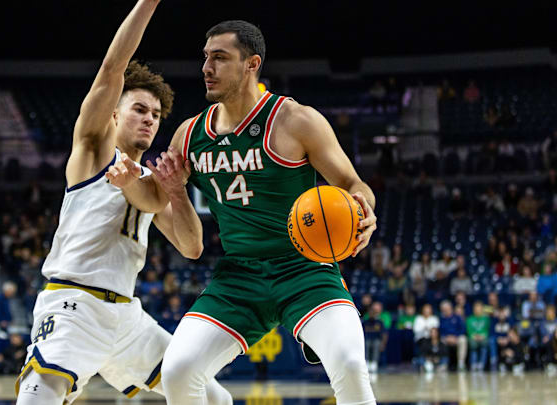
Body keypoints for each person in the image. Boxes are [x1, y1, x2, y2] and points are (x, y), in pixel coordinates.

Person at [111, 20, 377, 404]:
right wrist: (128, 177)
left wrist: (364, 209)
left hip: (304, 270)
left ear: (252, 64)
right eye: (205, 58)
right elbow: (155, 200)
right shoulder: (189, 135)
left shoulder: (295, 120)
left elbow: (354, 184)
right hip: (239, 277)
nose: (206, 68)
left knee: (350, 365)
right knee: (178, 370)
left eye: (219, 58)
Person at [15, 2, 230, 405]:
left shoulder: (152, 182)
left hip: (127, 318)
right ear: (113, 115)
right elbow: (113, 68)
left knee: (214, 398)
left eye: (155, 114)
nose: (150, 119)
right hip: (73, 304)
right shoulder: (93, 150)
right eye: (139, 110)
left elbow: (192, 246)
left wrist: (178, 191)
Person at [466, 301, 490, 371]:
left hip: (483, 337)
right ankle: (473, 363)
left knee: (484, 344)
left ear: (482, 309)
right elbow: (469, 330)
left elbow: (487, 329)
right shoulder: (469, 319)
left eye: (479, 308)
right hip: (473, 337)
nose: (477, 309)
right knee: (473, 345)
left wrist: (483, 336)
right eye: (476, 308)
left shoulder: (486, 319)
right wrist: (474, 336)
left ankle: (482, 363)